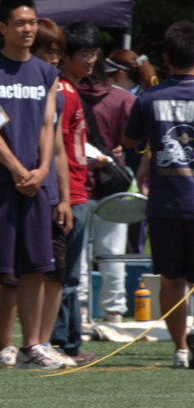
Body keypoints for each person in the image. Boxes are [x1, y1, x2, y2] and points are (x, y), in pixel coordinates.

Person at [0, 0, 63, 370]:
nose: (28, 29)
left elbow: (48, 125)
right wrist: (14, 168)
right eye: (20, 23)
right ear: (2, 27)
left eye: (32, 22)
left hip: (35, 182)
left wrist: (42, 169)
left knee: (36, 268)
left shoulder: (46, 72)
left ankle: (32, 345)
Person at [124, 21, 194, 368]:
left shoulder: (149, 97)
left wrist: (147, 151)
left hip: (165, 203)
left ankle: (180, 349)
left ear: (165, 57)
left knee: (171, 279)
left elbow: (129, 140)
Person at [73, 26, 135, 327]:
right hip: (114, 184)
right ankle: (114, 313)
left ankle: (81, 312)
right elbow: (137, 139)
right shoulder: (123, 99)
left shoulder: (67, 94)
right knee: (113, 254)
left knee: (79, 255)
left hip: (78, 184)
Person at [48, 21, 98, 366]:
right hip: (71, 194)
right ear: (66, 57)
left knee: (70, 274)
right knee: (65, 275)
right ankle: (62, 342)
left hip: (78, 189)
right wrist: (65, 196)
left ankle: (68, 341)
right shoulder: (63, 92)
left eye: (94, 53)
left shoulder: (69, 90)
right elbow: (56, 148)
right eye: (84, 54)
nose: (91, 60)